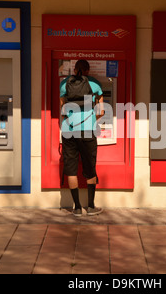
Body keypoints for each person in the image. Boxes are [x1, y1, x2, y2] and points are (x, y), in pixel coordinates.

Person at [59, 60, 104, 217]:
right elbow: (102, 111)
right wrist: (91, 119)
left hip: (69, 130)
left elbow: (63, 109)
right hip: (87, 130)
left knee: (71, 169)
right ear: (87, 70)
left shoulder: (65, 84)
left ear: (75, 69)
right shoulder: (94, 84)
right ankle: (90, 206)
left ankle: (77, 207)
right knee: (90, 167)